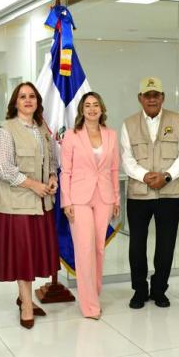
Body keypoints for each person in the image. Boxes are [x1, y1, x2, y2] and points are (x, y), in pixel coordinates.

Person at [0, 82, 59, 329]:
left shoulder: (43, 130)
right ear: (15, 102)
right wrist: (33, 184)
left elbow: (51, 161)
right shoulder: (5, 131)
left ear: (38, 101)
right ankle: (27, 306)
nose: (28, 100)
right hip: (16, 206)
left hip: (41, 205)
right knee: (22, 257)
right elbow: (4, 168)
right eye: (22, 97)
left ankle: (24, 298)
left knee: (33, 255)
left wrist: (52, 179)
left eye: (32, 96)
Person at [120, 77, 179, 309]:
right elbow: (126, 158)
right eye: (147, 95)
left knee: (166, 245)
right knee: (137, 245)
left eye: (156, 94)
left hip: (169, 194)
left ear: (163, 97)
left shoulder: (178, 120)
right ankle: (139, 290)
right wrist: (145, 176)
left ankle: (159, 289)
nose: (152, 98)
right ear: (140, 98)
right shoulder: (128, 124)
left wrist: (167, 176)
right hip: (139, 195)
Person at [60, 92, 120, 319]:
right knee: (84, 250)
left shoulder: (111, 135)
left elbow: (114, 170)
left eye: (96, 105)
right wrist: (67, 201)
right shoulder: (72, 136)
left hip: (104, 197)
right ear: (82, 110)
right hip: (79, 199)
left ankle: (93, 294)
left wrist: (116, 199)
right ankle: (90, 305)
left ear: (102, 109)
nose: (92, 109)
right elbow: (66, 171)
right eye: (88, 105)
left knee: (98, 249)